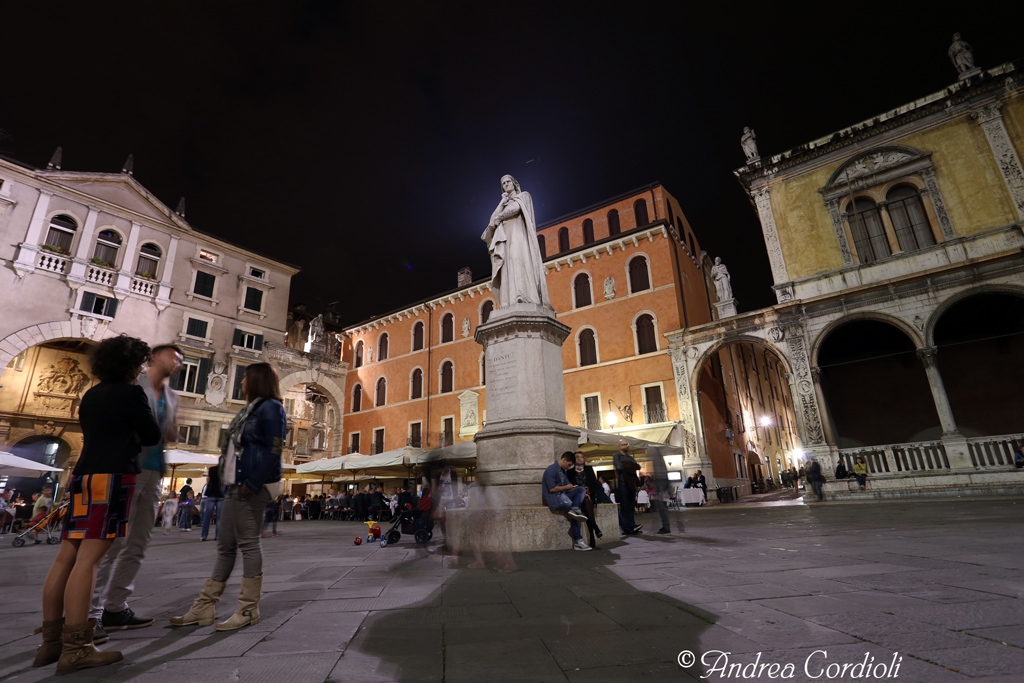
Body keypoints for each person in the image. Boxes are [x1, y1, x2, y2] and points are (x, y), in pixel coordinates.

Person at [37, 335, 160, 675]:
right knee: (90, 560)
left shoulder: (90, 394)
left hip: (82, 476)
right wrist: (132, 435)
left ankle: (50, 643)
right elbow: (151, 435)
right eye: (139, 364)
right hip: (114, 477)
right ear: (131, 365)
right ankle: (78, 648)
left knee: (66, 556)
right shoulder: (131, 393)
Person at [171, 363, 285, 632]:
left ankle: (247, 608)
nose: (242, 381)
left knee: (248, 545)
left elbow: (275, 449)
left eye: (246, 377)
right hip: (236, 483)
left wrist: (253, 483)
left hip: (251, 486)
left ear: (257, 379)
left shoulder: (271, 407)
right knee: (225, 546)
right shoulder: (252, 409)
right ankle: (204, 607)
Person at [91, 343, 181, 641]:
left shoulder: (171, 396)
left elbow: (167, 433)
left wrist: (170, 429)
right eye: (173, 357)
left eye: (180, 360)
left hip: (155, 471)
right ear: (153, 358)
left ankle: (115, 606)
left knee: (138, 543)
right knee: (112, 542)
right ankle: (90, 612)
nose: (177, 363)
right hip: (129, 467)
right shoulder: (132, 386)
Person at [480, 174, 551, 308]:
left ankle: (522, 295)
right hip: (505, 238)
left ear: (514, 183)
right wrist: (502, 202)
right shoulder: (504, 204)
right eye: (503, 184)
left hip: (518, 235)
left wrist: (500, 216)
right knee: (507, 266)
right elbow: (492, 219)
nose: (506, 185)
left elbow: (515, 209)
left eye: (508, 182)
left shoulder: (524, 196)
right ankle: (509, 299)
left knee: (518, 259)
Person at [542, 452, 591, 551]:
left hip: (564, 494)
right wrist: (566, 487)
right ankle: (578, 541)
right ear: (564, 460)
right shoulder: (551, 470)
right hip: (556, 497)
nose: (569, 467)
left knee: (581, 489)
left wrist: (574, 489)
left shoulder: (562, 471)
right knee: (577, 515)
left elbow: (568, 484)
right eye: (569, 465)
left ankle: (575, 508)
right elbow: (552, 489)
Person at [565, 451, 602, 547]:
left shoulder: (589, 469)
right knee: (586, 502)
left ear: (584, 459)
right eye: (577, 457)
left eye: (581, 457)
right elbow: (570, 486)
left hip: (589, 496)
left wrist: (588, 492)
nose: (579, 459)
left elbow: (594, 484)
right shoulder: (569, 472)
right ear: (574, 460)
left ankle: (594, 535)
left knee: (587, 502)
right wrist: (581, 491)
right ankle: (595, 530)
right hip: (577, 497)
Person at [613, 439, 643, 536]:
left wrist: (627, 465)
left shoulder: (630, 457)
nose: (627, 446)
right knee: (625, 506)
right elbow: (619, 467)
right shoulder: (616, 456)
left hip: (631, 483)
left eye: (627, 444)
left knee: (631, 506)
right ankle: (627, 527)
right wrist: (631, 465)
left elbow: (637, 467)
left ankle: (632, 525)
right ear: (620, 446)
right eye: (625, 445)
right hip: (623, 484)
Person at [200, 465, 224, 542]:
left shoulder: (212, 469)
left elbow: (209, 479)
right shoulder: (224, 470)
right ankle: (218, 535)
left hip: (211, 493)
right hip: (220, 494)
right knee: (219, 517)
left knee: (207, 516)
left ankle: (204, 535)